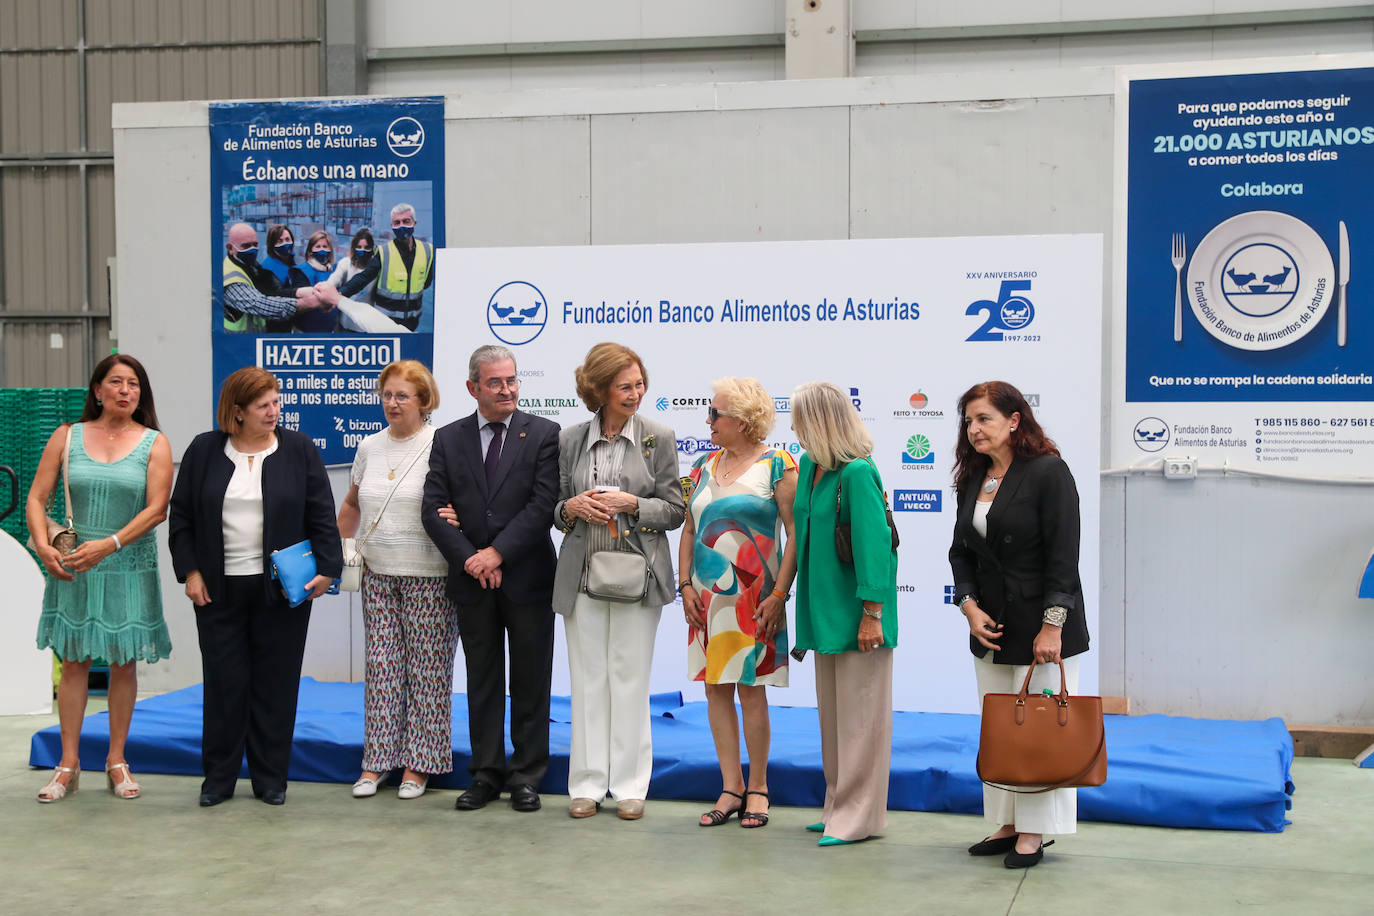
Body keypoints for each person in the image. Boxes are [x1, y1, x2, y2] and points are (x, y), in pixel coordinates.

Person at [168, 366, 342, 807]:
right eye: (264, 405)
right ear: (238, 411)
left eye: (277, 402)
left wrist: (328, 569)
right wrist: (190, 572)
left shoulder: (299, 449)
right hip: (217, 590)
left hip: (282, 592)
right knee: (225, 685)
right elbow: (182, 518)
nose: (275, 411)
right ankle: (218, 779)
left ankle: (270, 779)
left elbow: (322, 513)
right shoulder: (204, 450)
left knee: (276, 684)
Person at [948, 380, 1090, 869]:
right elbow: (960, 552)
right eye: (968, 420)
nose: (973, 429)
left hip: (1041, 628)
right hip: (989, 627)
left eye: (983, 418)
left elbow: (1063, 559)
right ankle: (1006, 823)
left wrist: (1053, 626)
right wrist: (967, 604)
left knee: (1038, 732)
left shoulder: (1049, 473)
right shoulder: (974, 479)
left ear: (1014, 420)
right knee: (1002, 729)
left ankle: (1034, 832)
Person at [28, 354, 174, 802]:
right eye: (116, 382)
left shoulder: (155, 443)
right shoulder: (66, 437)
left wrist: (109, 543)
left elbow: (157, 510)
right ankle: (67, 764)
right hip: (73, 566)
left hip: (125, 565)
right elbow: (37, 498)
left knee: (122, 663)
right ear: (97, 390)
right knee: (72, 661)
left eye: (133, 384)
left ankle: (116, 760)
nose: (125, 390)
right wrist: (43, 545)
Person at [422, 345, 560, 813]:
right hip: (472, 582)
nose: (507, 390)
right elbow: (433, 510)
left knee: (530, 680)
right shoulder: (448, 438)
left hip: (528, 578)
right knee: (481, 680)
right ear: (472, 388)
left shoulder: (544, 433)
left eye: (513, 380)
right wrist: (471, 560)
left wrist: (495, 552)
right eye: (497, 383)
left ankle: (526, 775)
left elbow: (543, 506)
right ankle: (484, 774)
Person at [552, 342, 685, 820]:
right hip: (581, 575)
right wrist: (571, 509)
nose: (636, 393)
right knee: (588, 682)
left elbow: (675, 511)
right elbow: (556, 508)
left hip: (639, 577)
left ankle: (630, 786)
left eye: (639, 384)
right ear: (600, 390)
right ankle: (586, 784)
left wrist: (632, 504)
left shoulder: (659, 436)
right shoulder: (569, 439)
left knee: (630, 680)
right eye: (625, 386)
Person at [680, 377, 797, 830]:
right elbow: (689, 529)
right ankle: (730, 787)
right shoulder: (702, 464)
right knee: (715, 688)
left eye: (715, 414)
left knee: (751, 690)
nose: (708, 420)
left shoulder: (778, 465)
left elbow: (794, 537)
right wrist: (685, 586)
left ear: (745, 421)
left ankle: (759, 788)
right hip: (705, 599)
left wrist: (778, 595)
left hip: (758, 598)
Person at [337, 361, 455, 800]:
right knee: (383, 669)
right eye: (387, 394)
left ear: (424, 400)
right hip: (377, 575)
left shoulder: (441, 444)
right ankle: (377, 761)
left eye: (403, 396)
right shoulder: (368, 447)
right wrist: (344, 550)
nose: (392, 403)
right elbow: (351, 503)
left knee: (428, 672)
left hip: (430, 576)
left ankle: (419, 765)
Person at [790, 380, 898, 847]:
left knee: (861, 722)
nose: (791, 426)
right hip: (823, 613)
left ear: (818, 422)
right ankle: (838, 804)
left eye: (798, 417)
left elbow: (877, 548)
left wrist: (872, 613)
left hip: (858, 615)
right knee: (835, 720)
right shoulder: (813, 465)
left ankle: (858, 817)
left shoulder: (857, 473)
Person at [221, 223, 333, 333]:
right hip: (244, 339)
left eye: (255, 245)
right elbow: (261, 303)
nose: (252, 249)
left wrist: (299, 292)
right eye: (246, 246)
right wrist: (305, 302)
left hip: (269, 328)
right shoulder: (233, 278)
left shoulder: (251, 265)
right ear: (230, 248)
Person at [338, 203, 433, 331]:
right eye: (397, 223)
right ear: (392, 226)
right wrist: (340, 293)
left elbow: (426, 283)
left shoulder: (428, 251)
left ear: (414, 223)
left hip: (413, 321)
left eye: (406, 221)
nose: (401, 226)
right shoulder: (384, 252)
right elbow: (364, 277)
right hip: (386, 322)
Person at [289, 230, 340, 333]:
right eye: (318, 246)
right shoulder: (302, 271)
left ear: (330, 250)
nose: (322, 250)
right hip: (305, 331)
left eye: (325, 247)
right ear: (310, 251)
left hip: (329, 330)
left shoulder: (335, 270)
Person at [329, 228, 377, 332]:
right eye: (359, 247)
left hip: (366, 327)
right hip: (344, 325)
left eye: (366, 247)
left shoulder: (375, 269)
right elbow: (334, 279)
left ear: (372, 248)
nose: (362, 250)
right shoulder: (346, 263)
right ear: (354, 248)